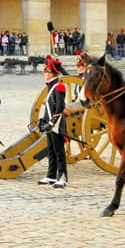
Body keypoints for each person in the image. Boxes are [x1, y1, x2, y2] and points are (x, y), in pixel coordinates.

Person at [37, 55, 69, 189]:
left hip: (57, 124)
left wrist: (52, 122)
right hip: (50, 123)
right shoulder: (51, 87)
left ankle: (62, 177)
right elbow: (49, 106)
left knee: (59, 151)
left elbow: (60, 107)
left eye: (46, 71)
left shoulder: (59, 87)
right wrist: (43, 121)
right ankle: (51, 175)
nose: (44, 74)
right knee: (51, 149)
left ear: (52, 73)